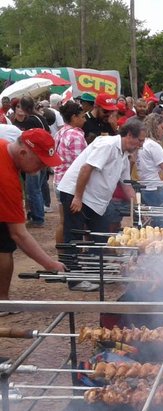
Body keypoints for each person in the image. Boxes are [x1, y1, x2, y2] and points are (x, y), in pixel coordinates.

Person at [57, 119, 144, 283]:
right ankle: (74, 279)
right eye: (139, 140)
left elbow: (126, 186)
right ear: (129, 135)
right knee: (74, 235)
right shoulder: (108, 145)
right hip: (76, 193)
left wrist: (139, 208)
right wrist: (77, 197)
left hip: (96, 201)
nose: (140, 145)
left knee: (101, 235)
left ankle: (96, 271)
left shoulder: (125, 156)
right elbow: (86, 168)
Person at [0, 129, 66, 304]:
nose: (43, 167)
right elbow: (19, 234)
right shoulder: (6, 180)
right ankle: (2, 301)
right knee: (4, 245)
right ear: (23, 152)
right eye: (41, 162)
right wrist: (50, 264)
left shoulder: (4, 146)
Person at [12, 96, 51, 228]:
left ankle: (38, 218)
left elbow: (26, 141)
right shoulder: (41, 117)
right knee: (37, 189)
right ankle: (38, 216)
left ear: (23, 107)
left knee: (33, 190)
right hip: (44, 157)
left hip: (35, 159)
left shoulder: (30, 120)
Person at [53, 101, 87, 247]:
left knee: (63, 222)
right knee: (75, 225)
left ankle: (64, 256)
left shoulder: (60, 132)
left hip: (58, 180)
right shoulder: (75, 135)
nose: (85, 120)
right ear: (74, 117)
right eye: (82, 116)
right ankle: (74, 256)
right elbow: (81, 164)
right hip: (72, 185)